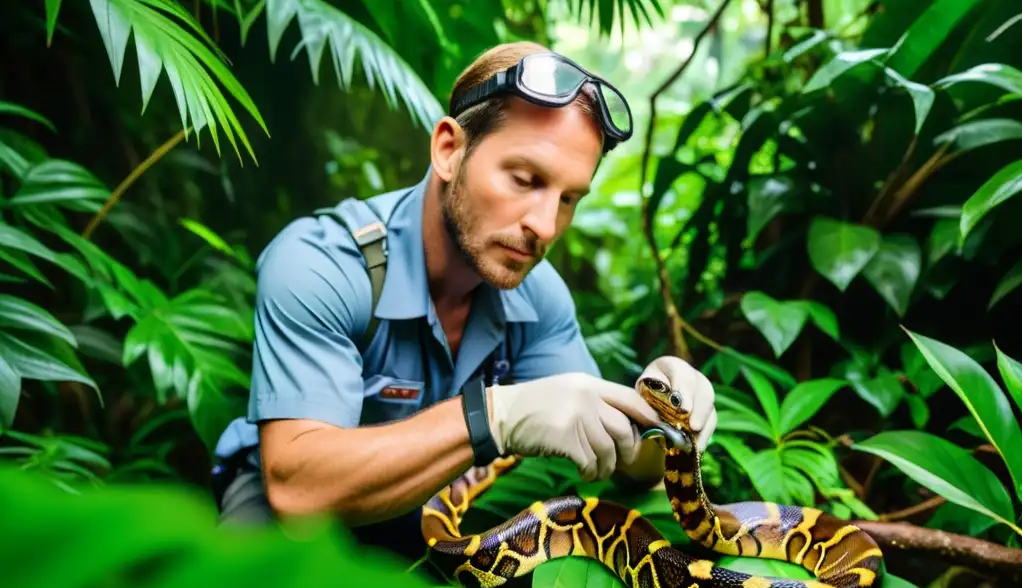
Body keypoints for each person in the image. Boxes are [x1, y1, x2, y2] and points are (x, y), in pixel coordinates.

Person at [211, 41, 718, 560]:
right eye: (525, 180)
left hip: (442, 517)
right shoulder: (323, 263)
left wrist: (663, 420)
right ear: (449, 150)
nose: (545, 226)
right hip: (291, 519)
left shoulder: (538, 295)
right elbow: (300, 491)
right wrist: (493, 416)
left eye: (568, 199)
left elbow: (629, 465)